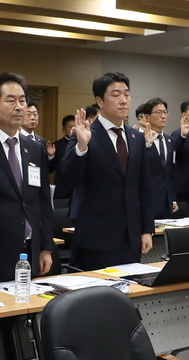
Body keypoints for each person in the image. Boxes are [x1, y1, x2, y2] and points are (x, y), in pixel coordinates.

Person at [57, 72, 153, 269]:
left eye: (126, 94)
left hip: (131, 236)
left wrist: (146, 230)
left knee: (128, 295)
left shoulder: (136, 137)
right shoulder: (85, 134)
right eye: (116, 95)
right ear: (99, 101)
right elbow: (67, 181)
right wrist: (81, 147)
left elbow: (143, 188)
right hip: (96, 237)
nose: (123, 100)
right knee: (98, 297)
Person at [137, 97, 178, 219]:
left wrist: (173, 198)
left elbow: (171, 172)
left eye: (165, 112)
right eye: (158, 112)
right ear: (147, 117)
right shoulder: (138, 139)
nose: (163, 116)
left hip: (166, 201)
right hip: (146, 200)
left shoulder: (171, 140)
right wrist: (147, 145)